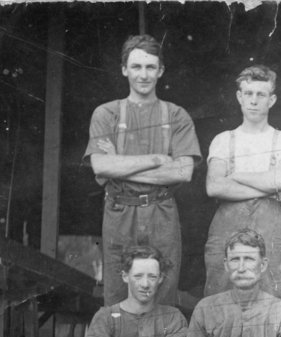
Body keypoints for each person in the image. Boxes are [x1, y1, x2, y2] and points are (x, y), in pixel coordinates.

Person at [84, 34, 201, 306]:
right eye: (136, 67)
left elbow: (183, 172)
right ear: (124, 69)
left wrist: (119, 167)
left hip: (162, 213)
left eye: (150, 67)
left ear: (160, 71)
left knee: (163, 292)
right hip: (119, 212)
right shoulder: (106, 114)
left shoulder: (176, 116)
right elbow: (100, 165)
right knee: (116, 293)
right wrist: (157, 159)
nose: (143, 75)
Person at [205, 65, 281, 302]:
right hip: (227, 223)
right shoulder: (223, 140)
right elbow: (214, 186)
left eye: (261, 94)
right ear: (239, 97)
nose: (254, 100)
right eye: (248, 94)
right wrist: (267, 185)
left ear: (272, 99)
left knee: (273, 291)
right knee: (221, 291)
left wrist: (235, 174)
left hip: (270, 223)